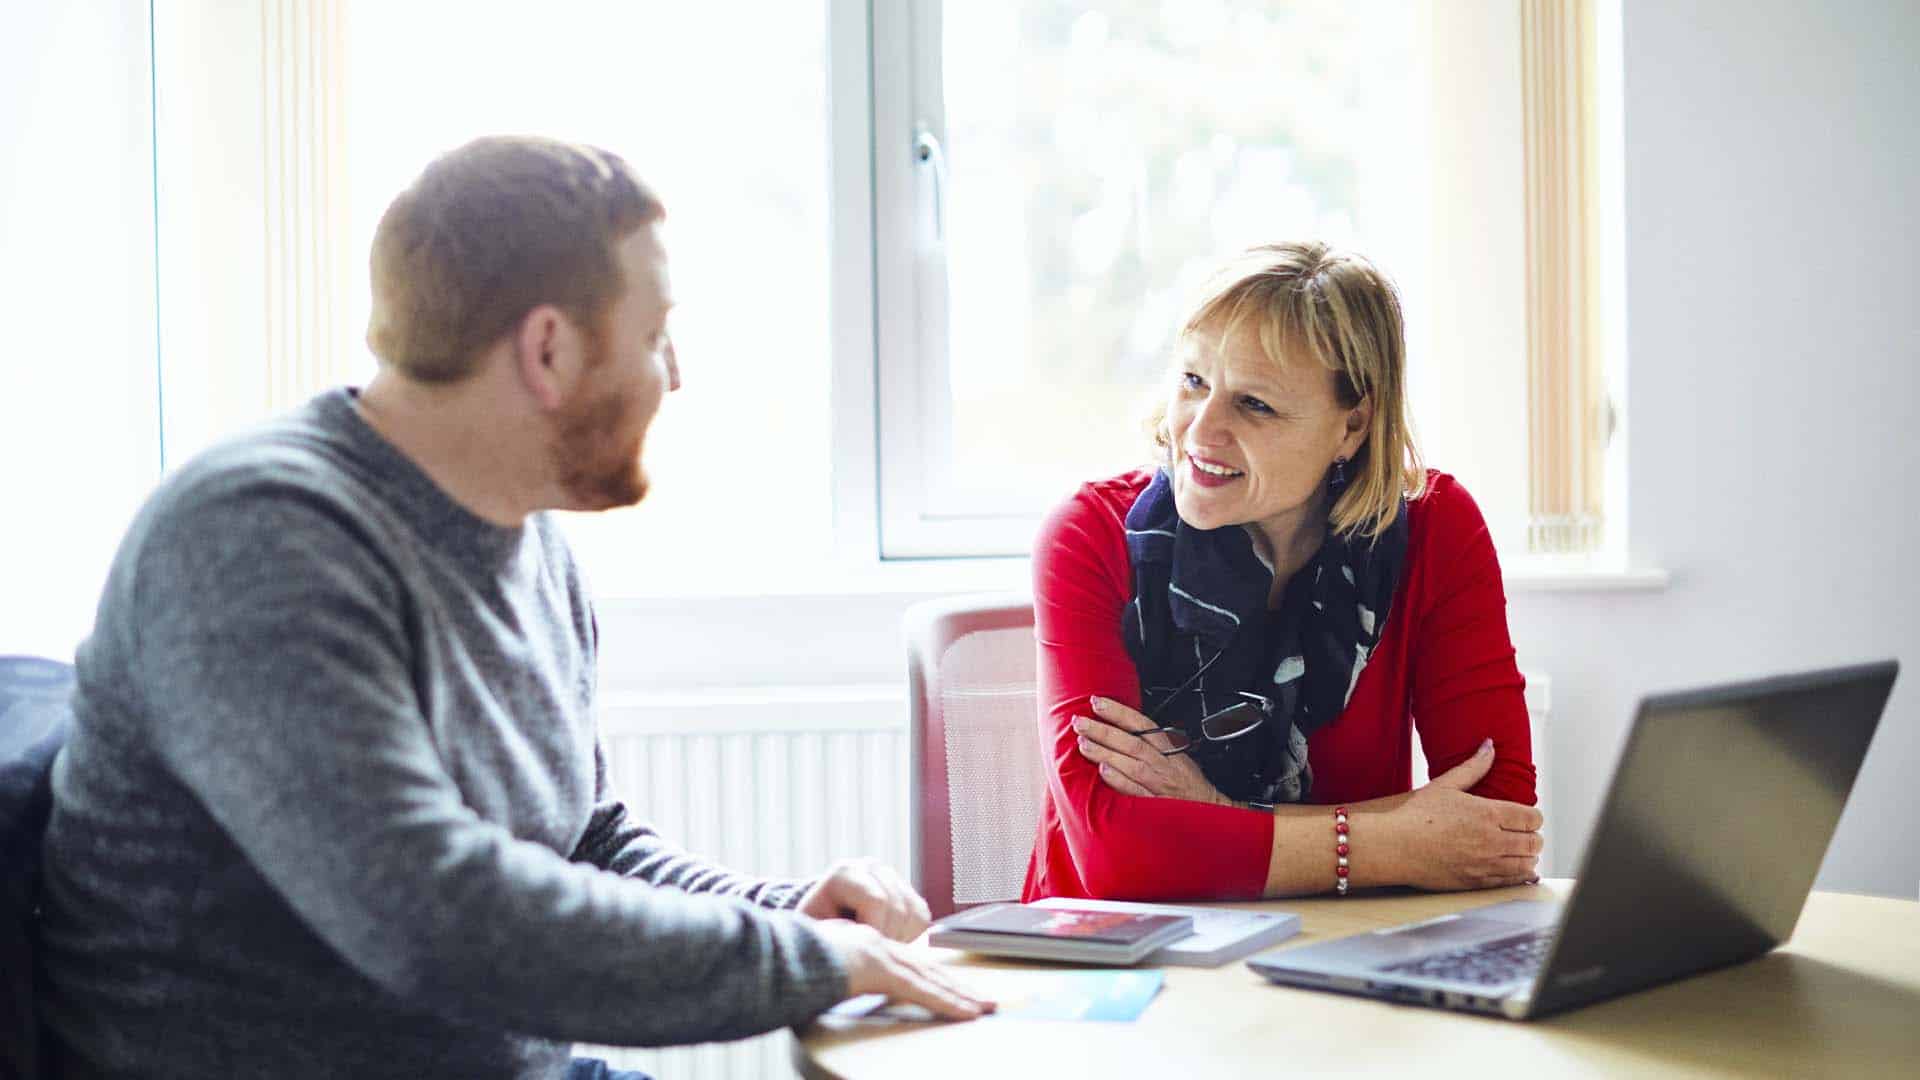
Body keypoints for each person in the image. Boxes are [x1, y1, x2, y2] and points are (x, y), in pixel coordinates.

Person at [36, 135, 989, 1080]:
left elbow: (582, 840)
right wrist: (805, 964)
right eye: (655, 336)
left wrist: (788, 916)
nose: (677, 374)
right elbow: (432, 918)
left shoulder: (526, 539)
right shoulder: (257, 539)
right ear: (547, 349)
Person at [1023, 241, 1543, 903]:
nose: (1199, 432)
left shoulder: (1437, 530)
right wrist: (1394, 841)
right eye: (1193, 382)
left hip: (1344, 951)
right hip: (1112, 962)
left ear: (1352, 426)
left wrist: (1214, 811)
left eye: (1255, 405)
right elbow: (1116, 857)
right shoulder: (1089, 534)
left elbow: (1496, 829)